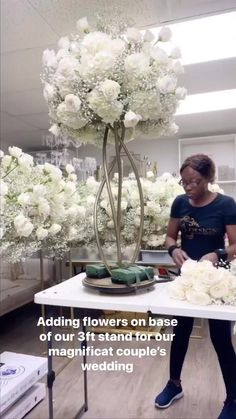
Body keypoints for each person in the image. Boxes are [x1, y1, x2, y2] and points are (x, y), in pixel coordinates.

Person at [154, 154, 236, 419]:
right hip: (186, 280)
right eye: (184, 181)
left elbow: (235, 245)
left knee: (221, 339)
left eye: (195, 181)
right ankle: (174, 385)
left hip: (216, 282)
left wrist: (217, 254)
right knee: (180, 333)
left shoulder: (226, 205)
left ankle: (233, 398)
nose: (188, 187)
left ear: (209, 179)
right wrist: (173, 249)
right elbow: (169, 236)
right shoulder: (180, 203)